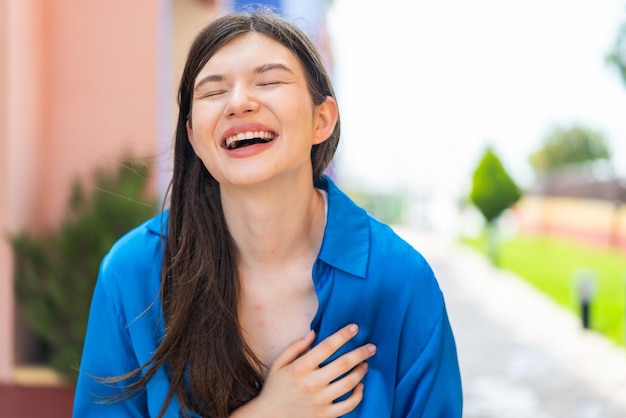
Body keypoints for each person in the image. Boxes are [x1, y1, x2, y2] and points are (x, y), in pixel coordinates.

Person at [73, 9, 463, 418]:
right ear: (194, 136)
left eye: (270, 81)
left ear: (322, 120)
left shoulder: (401, 279)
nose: (239, 102)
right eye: (212, 91)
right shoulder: (132, 274)